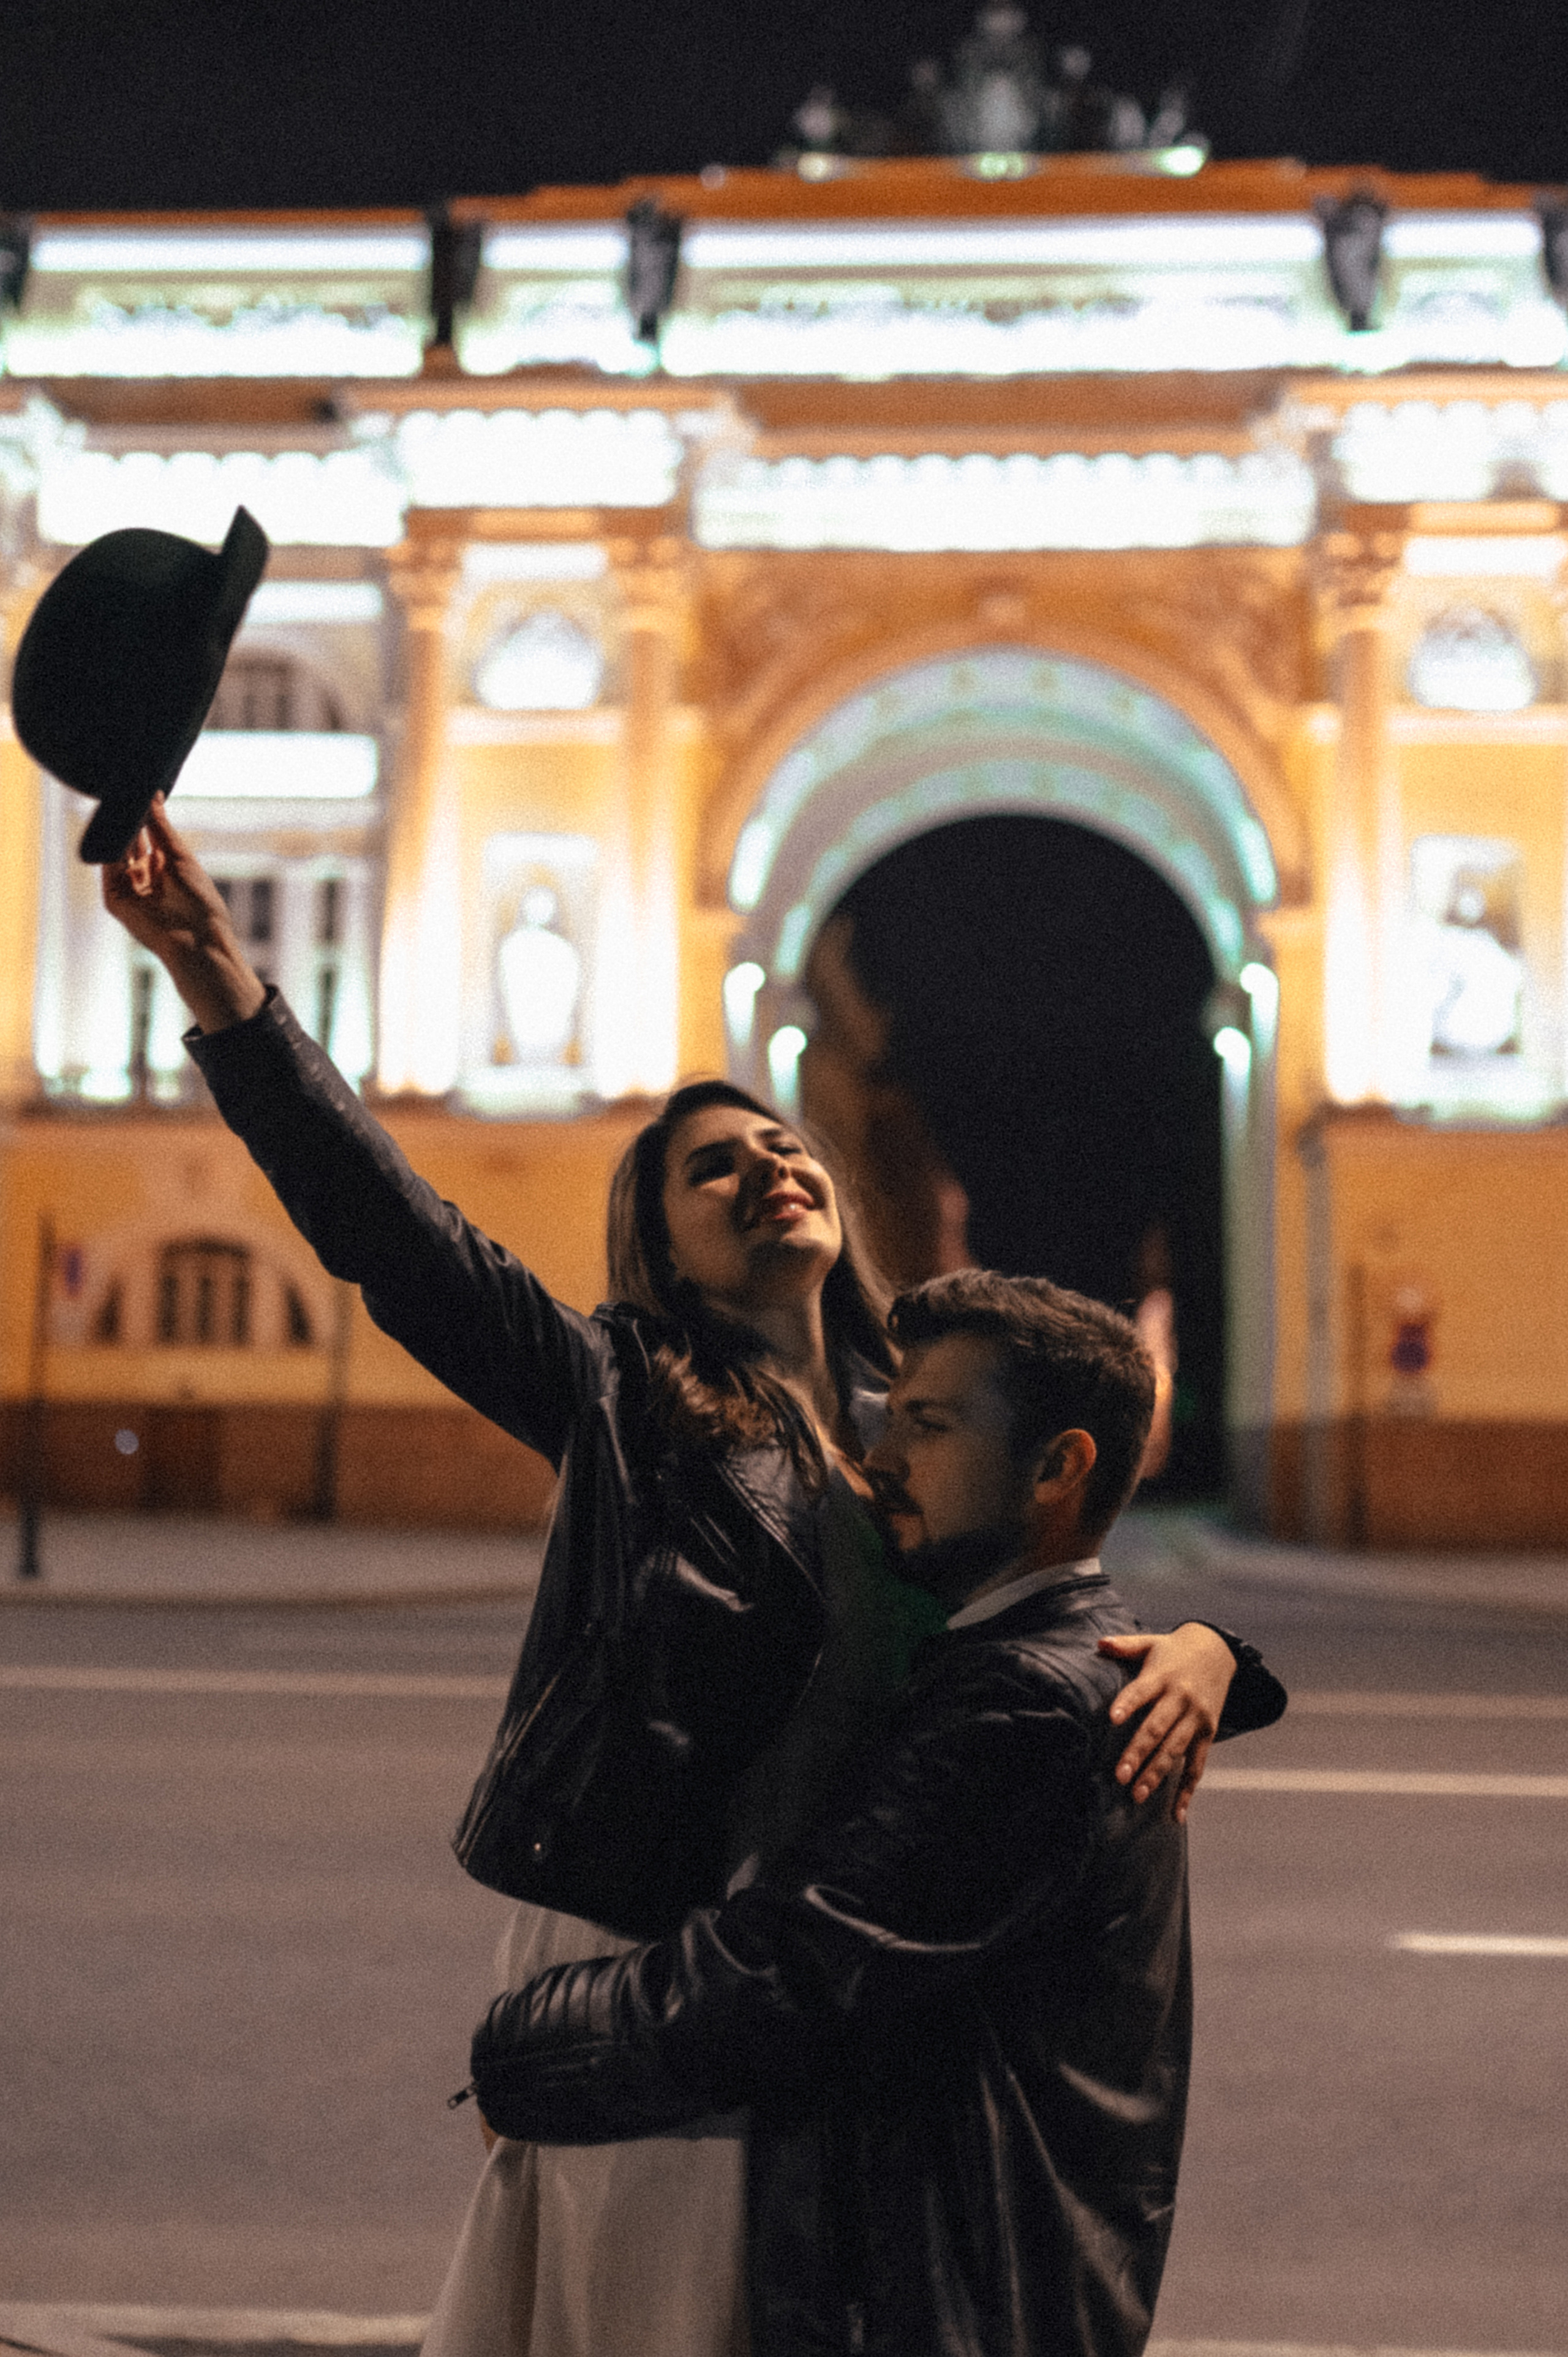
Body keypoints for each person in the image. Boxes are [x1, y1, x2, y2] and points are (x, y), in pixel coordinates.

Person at [103, 803, 1286, 2357]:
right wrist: (221, 983)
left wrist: (1211, 1652)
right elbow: (396, 1240)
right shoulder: (626, 1403)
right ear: (660, 1251)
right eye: (708, 1170)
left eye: (779, 1146)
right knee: (651, 2312)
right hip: (665, 1941)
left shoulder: (908, 1426)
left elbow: (1050, 1613)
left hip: (833, 1953)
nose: (765, 1167)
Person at [469, 1271, 1287, 2357]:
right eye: (890, 1418)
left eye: (929, 1426)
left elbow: (791, 1968)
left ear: (1058, 1467)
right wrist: (1220, 1651)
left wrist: (522, 2055)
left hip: (953, 2310)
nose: (883, 1458)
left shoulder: (1024, 1704)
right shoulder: (1044, 1661)